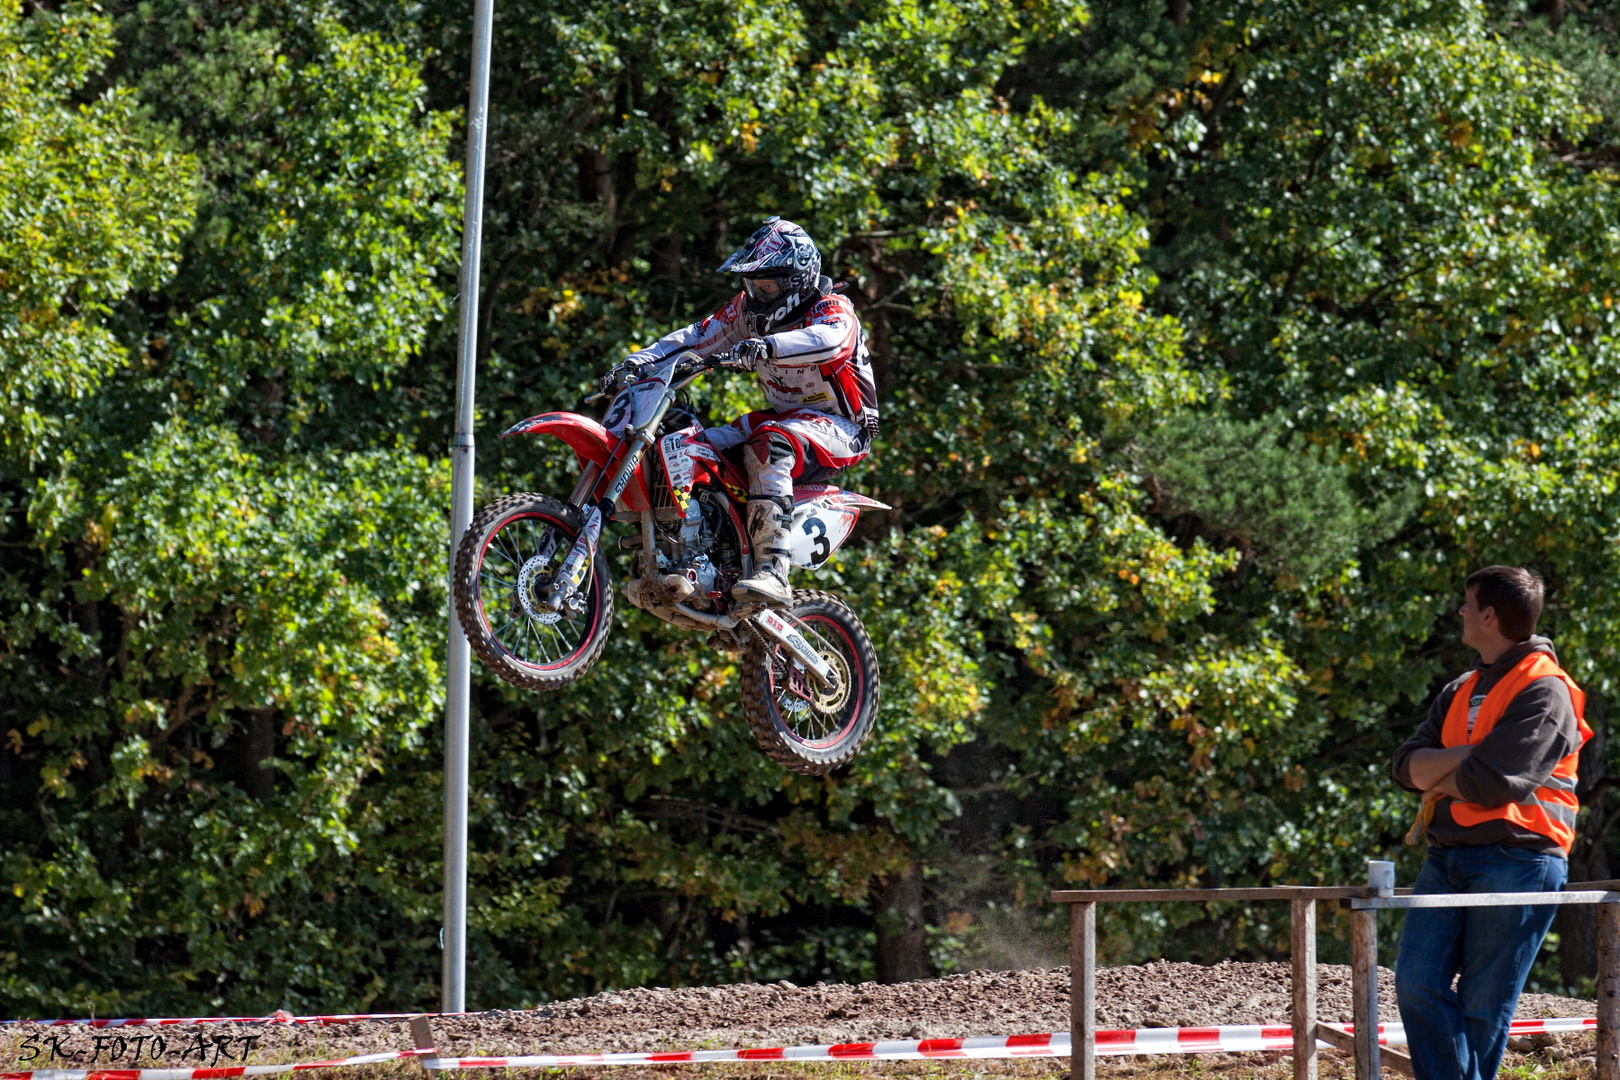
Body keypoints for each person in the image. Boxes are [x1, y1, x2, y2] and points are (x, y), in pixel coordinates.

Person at [1391, 565, 1592, 1080]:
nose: (1459, 611)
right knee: (1415, 983)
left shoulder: (1548, 691)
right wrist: (1465, 760)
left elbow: (1497, 783)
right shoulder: (1462, 686)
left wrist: (1440, 772)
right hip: (1447, 857)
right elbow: (1403, 766)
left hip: (1520, 859)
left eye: (1467, 602)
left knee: (1484, 1007)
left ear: (1489, 616)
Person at [618, 217, 879, 606]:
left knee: (769, 444)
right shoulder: (747, 310)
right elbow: (696, 337)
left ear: (796, 280)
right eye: (753, 284)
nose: (757, 293)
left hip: (843, 427)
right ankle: (692, 553)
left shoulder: (832, 309)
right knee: (685, 445)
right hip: (785, 420)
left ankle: (773, 569)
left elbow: (830, 341)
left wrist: (768, 346)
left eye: (767, 284)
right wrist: (638, 363)